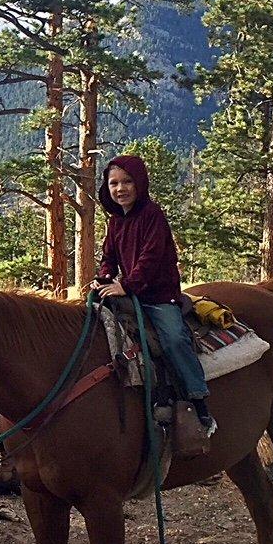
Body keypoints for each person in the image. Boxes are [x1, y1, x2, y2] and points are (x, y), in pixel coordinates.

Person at [92, 154, 217, 444]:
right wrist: (104, 277)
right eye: (113, 183)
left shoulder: (152, 215)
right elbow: (108, 257)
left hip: (157, 295)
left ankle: (199, 402)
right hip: (130, 290)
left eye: (127, 182)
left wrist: (128, 286)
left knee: (173, 339)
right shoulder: (115, 221)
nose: (120, 188)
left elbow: (151, 257)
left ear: (140, 183)